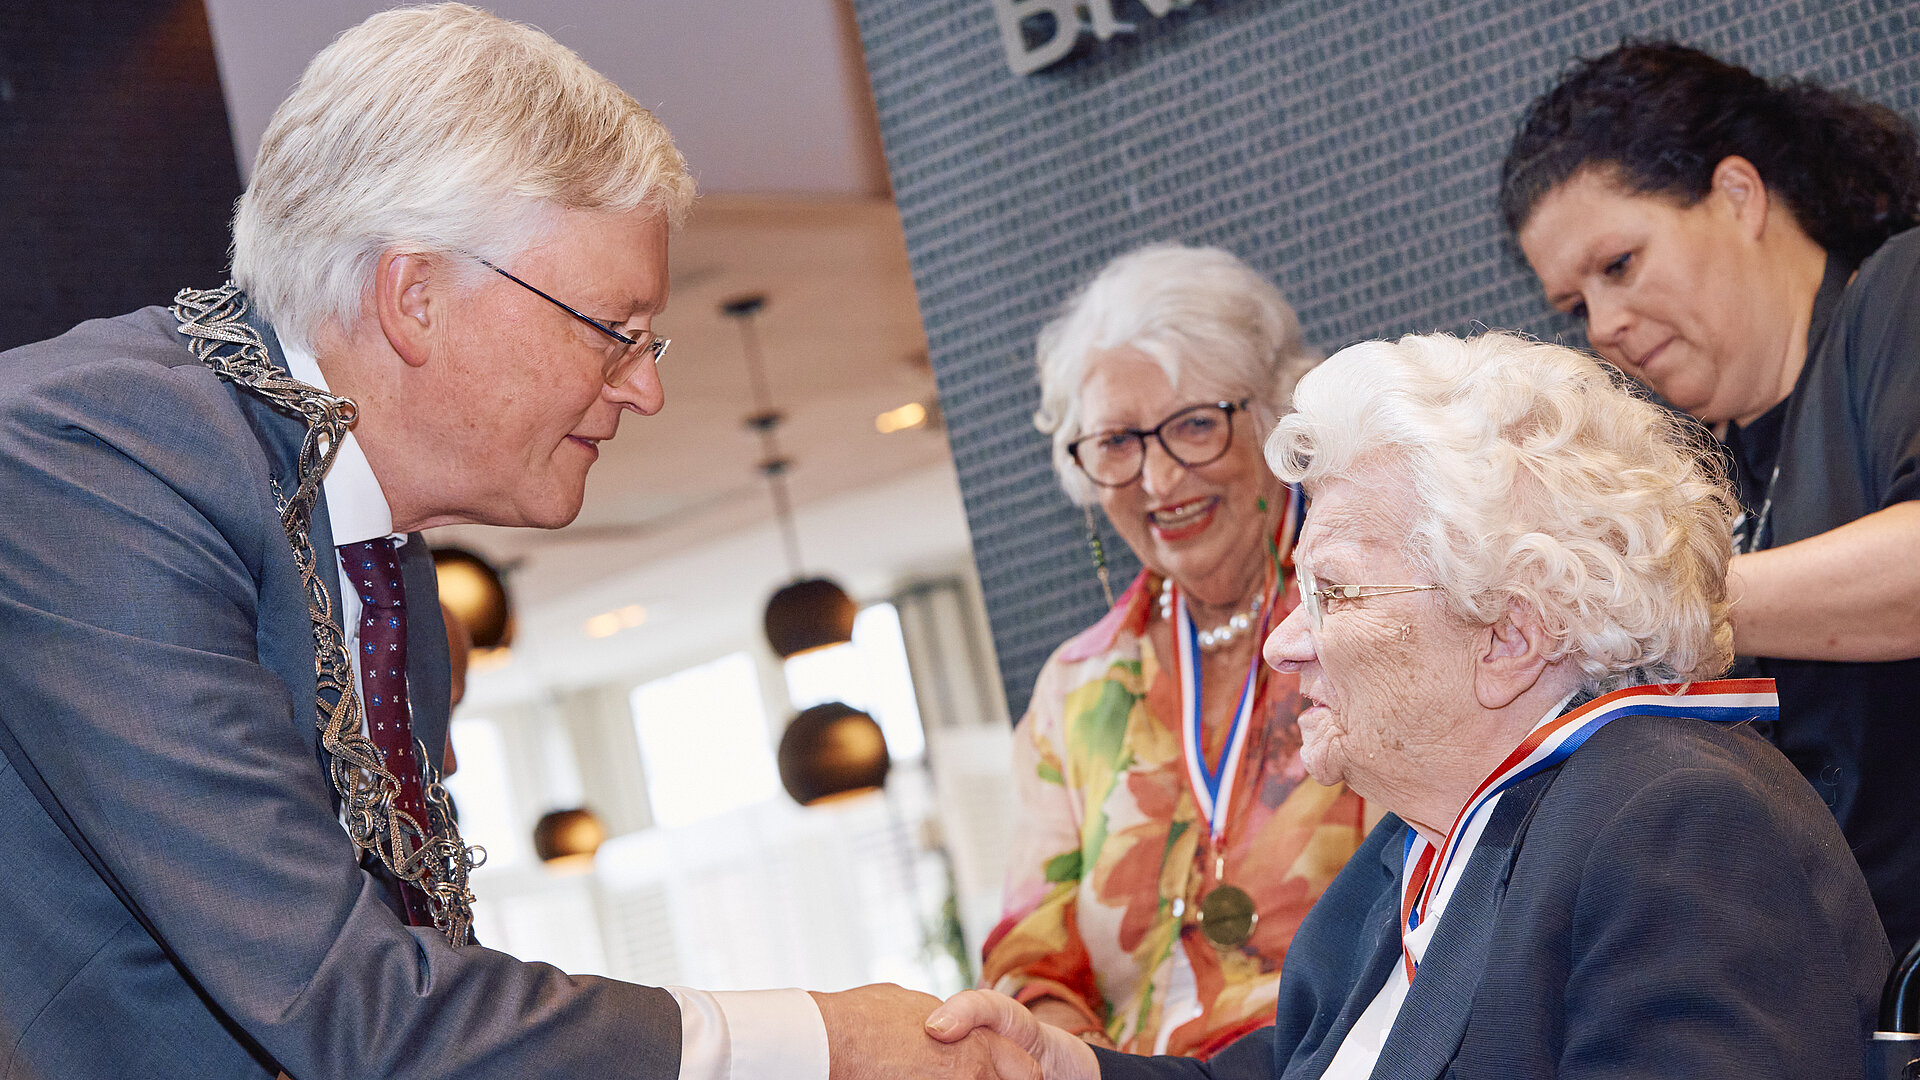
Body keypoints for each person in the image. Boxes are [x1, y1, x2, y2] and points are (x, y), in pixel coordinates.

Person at [0, 7, 1034, 1080]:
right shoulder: (89, 465)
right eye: (612, 331)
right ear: (417, 296)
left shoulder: (384, 568)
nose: (646, 385)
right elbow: (352, 1010)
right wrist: (827, 1043)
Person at [927, 331, 1891, 1079]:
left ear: (1511, 635)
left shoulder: (1677, 824)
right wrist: (1082, 1068)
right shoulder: (1412, 853)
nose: (1282, 643)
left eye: (1334, 593)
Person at [1499, 41, 1920, 957]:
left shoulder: (1899, 293)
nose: (1603, 327)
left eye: (1620, 264)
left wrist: (1653, 600)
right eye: (1574, 307)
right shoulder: (1688, 472)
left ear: (1738, 194)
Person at [984, 244, 1366, 1058]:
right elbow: (1029, 960)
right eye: (1118, 442)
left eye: (1194, 425)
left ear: (1272, 417)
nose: (1158, 480)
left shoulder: (1370, 608)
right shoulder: (1076, 690)